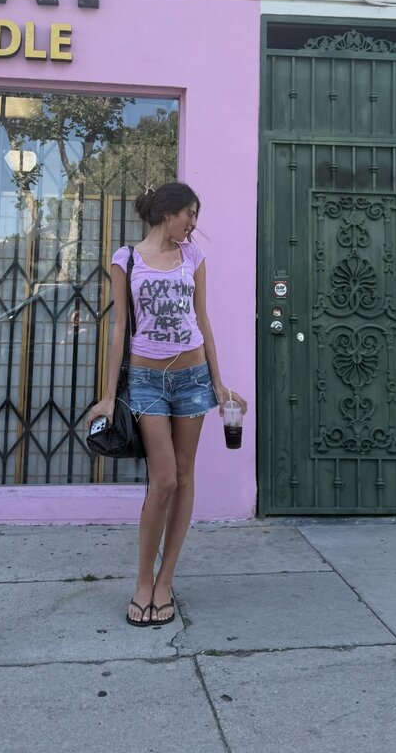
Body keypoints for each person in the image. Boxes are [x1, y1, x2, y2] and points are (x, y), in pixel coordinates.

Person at [87, 182, 247, 627]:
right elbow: (120, 329)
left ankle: (165, 580)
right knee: (163, 479)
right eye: (189, 214)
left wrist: (219, 385)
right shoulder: (127, 259)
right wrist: (107, 396)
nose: (193, 223)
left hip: (192, 379)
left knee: (184, 475)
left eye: (195, 215)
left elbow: (203, 320)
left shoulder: (193, 257)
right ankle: (143, 580)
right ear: (167, 213)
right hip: (146, 381)